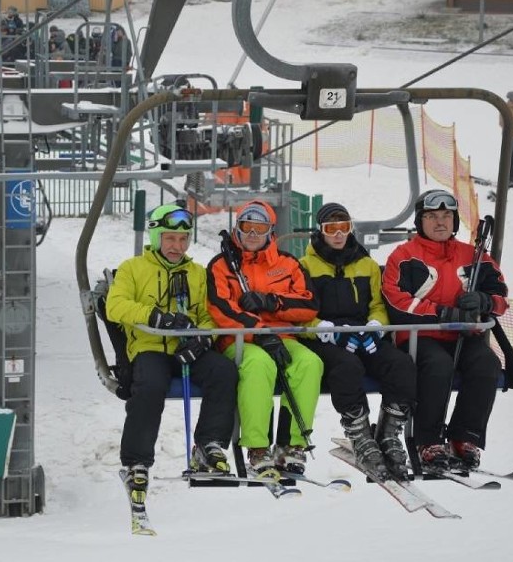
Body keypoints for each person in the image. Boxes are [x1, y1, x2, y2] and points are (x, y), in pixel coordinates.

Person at [105, 204, 238, 493]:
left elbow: (206, 315)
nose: (177, 246)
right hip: (150, 347)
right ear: (156, 238)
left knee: (224, 371)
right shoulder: (133, 269)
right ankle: (137, 462)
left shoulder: (197, 273)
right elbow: (115, 306)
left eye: (182, 239)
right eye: (169, 238)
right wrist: (155, 317)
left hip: (185, 349)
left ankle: (209, 445)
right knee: (151, 385)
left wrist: (203, 338)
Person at [382, 190, 509, 471]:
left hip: (462, 336)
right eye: (432, 217)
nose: (440, 223)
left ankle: (465, 436)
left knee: (487, 364)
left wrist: (484, 301)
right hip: (419, 338)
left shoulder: (473, 256)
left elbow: (501, 297)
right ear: (420, 221)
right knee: (438, 366)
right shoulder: (404, 257)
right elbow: (397, 302)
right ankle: (428, 440)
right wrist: (442, 312)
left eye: (446, 216)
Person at [298, 203, 417, 480]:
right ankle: (359, 433)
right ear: (321, 231)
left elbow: (377, 304)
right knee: (347, 367)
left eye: (344, 228)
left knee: (400, 364)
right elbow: (300, 313)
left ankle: (388, 433)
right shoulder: (305, 266)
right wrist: (325, 330)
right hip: (326, 340)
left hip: (363, 336)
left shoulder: (366, 265)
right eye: (331, 229)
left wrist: (375, 326)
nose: (338, 235)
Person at [207, 200, 323, 474]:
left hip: (283, 337)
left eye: (260, 229)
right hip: (239, 341)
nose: (252, 235)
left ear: (271, 232)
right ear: (238, 228)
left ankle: (291, 444)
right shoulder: (222, 265)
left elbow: (308, 305)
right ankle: (258, 446)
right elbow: (221, 308)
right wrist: (257, 331)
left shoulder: (287, 264)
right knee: (259, 365)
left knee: (309, 364)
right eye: (247, 227)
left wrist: (273, 302)